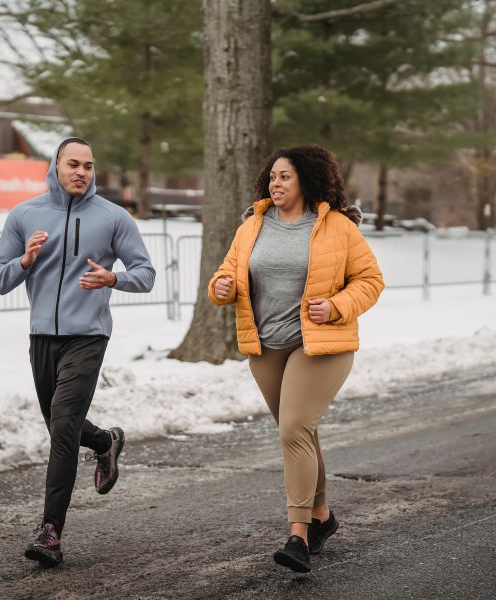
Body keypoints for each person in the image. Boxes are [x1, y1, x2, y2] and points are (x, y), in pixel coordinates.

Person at [208, 145, 384, 573]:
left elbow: (370, 280)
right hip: (267, 347)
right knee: (299, 433)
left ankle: (298, 536)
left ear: (306, 179)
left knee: (293, 429)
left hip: (321, 346)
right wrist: (221, 287)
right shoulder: (252, 226)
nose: (276, 183)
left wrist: (337, 306)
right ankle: (322, 516)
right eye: (272, 176)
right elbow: (228, 273)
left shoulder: (337, 226)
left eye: (285, 176)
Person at [0, 137, 155, 568]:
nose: (81, 172)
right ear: (56, 166)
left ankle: (50, 532)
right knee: (58, 422)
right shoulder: (24, 215)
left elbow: (146, 273)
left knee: (63, 426)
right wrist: (24, 261)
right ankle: (104, 441)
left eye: (88, 165)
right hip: (42, 337)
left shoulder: (113, 217)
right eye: (73, 164)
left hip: (88, 336)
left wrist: (113, 279)